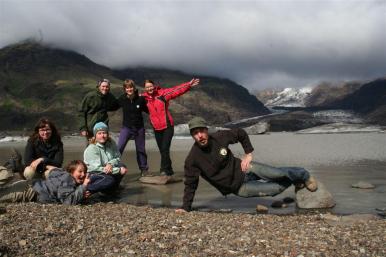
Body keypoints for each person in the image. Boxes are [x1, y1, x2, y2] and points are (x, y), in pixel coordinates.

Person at [176, 117, 318, 212]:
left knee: (277, 173)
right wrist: (185, 208)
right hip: (238, 188)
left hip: (244, 168)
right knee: (275, 189)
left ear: (206, 130)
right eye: (195, 133)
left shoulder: (219, 137)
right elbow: (190, 184)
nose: (200, 135)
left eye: (201, 131)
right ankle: (295, 180)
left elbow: (240, 133)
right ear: (192, 136)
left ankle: (304, 175)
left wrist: (248, 153)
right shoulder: (192, 160)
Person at [142, 78, 200, 177]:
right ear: (145, 88)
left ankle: (163, 170)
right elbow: (131, 97)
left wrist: (188, 84)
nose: (149, 88)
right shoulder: (143, 98)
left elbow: (176, 90)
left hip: (167, 126)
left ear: (154, 86)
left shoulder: (162, 94)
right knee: (163, 150)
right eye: (147, 87)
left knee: (164, 149)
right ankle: (169, 170)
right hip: (156, 128)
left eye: (151, 86)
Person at [0, 160, 91, 205]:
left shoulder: (62, 173)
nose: (83, 174)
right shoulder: (68, 179)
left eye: (85, 172)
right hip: (29, 192)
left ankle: (9, 168)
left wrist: (81, 194)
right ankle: (9, 168)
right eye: (80, 171)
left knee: (3, 190)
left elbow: (53, 170)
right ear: (72, 171)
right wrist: (83, 186)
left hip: (28, 184)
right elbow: (67, 202)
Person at [83, 122, 128, 194]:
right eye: (99, 133)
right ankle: (87, 190)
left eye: (104, 133)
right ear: (95, 135)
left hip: (107, 169)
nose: (102, 136)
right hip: (93, 173)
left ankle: (112, 190)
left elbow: (117, 157)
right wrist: (117, 170)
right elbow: (95, 168)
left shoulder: (111, 143)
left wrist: (110, 163)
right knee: (110, 179)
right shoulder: (92, 148)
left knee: (123, 166)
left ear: (107, 134)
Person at [117, 79, 149, 176]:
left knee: (141, 149)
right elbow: (111, 106)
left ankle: (144, 170)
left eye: (131, 87)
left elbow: (149, 110)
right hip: (126, 127)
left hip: (139, 128)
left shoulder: (141, 99)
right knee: (119, 148)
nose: (129, 89)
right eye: (127, 88)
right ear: (124, 89)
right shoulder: (122, 99)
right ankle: (114, 167)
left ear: (134, 88)